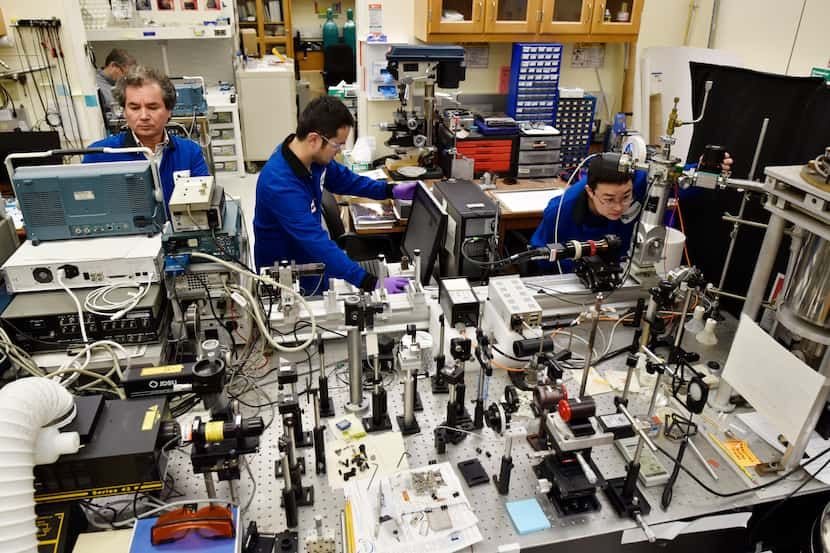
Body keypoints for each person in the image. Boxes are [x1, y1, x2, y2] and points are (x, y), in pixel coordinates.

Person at [254, 96, 416, 294]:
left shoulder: (310, 157)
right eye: (337, 146)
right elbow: (315, 240)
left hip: (311, 262)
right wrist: (370, 282)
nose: (338, 152)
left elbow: (345, 180)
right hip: (285, 278)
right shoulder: (279, 184)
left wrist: (389, 190)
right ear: (314, 139)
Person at [530, 152, 732, 272]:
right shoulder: (560, 213)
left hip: (623, 271)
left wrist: (704, 169)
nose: (619, 207)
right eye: (608, 200)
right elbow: (543, 259)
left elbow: (680, 181)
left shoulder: (640, 181)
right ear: (590, 192)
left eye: (626, 197)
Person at [83, 65, 209, 208]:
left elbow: (202, 206)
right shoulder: (98, 156)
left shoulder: (190, 152)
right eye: (135, 108)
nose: (144, 116)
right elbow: (87, 210)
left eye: (152, 107)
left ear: (169, 111)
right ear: (124, 112)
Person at [95, 49, 136, 113]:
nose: (126, 78)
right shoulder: (95, 84)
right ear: (113, 65)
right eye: (125, 73)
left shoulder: (117, 84)